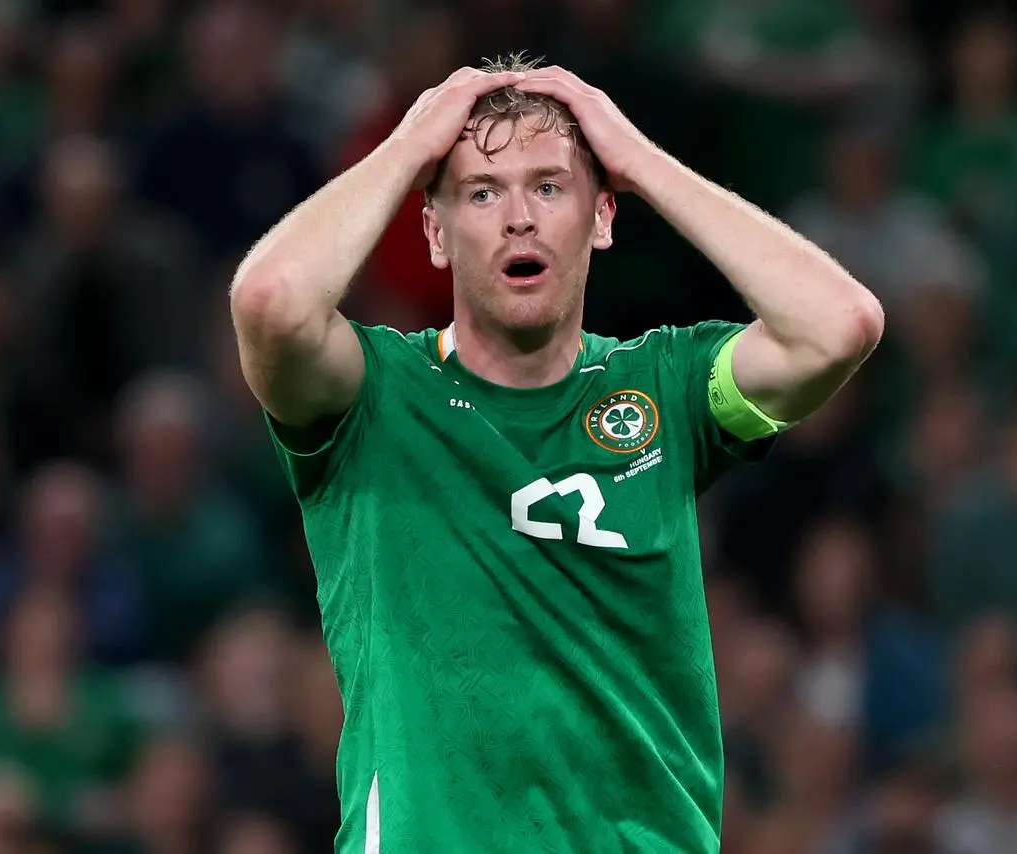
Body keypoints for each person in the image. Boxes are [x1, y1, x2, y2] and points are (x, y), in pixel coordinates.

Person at [230, 55, 883, 854]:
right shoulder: (374, 395)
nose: (519, 218)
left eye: (549, 186)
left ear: (602, 218)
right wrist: (406, 148)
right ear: (434, 232)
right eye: (481, 192)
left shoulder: (665, 386)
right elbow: (270, 304)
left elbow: (838, 325)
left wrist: (639, 160)